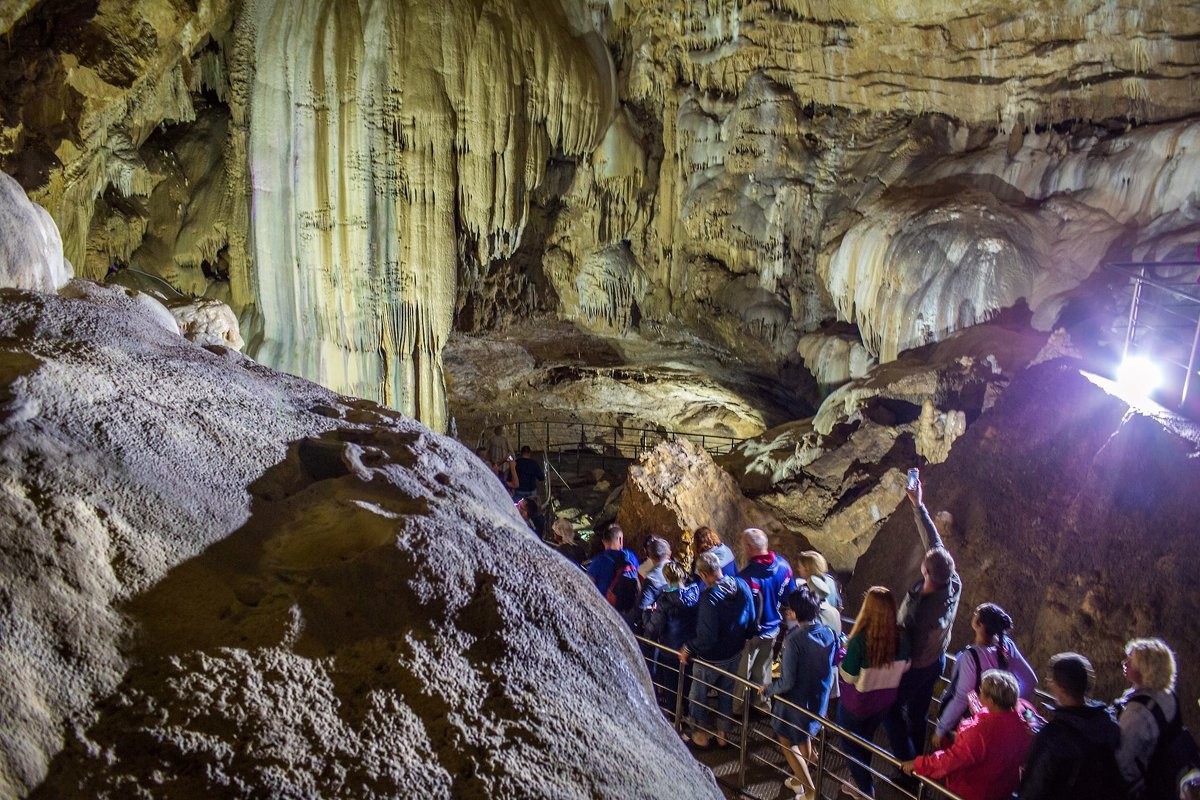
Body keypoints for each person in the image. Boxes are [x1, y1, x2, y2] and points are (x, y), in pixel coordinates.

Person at [885, 471, 961, 760]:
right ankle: (919, 762)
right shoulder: (953, 582)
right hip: (936, 660)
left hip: (915, 666)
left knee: (889, 708)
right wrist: (918, 505)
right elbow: (934, 542)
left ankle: (906, 762)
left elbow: (902, 637)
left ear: (924, 571)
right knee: (917, 713)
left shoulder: (919, 610)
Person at [901, 669, 1033, 800]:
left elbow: (951, 760)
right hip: (1001, 791)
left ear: (991, 701)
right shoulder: (1022, 725)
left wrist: (919, 764)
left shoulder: (981, 732)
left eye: (981, 691)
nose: (978, 693)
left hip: (972, 792)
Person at [1018, 652, 1128, 800]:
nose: (1048, 681)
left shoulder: (1052, 737)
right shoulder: (1107, 724)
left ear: (1060, 686)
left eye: (1051, 679)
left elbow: (1034, 789)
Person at [762, 586, 837, 799]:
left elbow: (787, 681)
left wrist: (768, 690)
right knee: (804, 735)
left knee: (787, 741)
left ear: (795, 612)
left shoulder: (794, 639)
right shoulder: (828, 632)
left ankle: (810, 790)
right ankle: (799, 777)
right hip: (817, 698)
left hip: (796, 702)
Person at [838, 586, 912, 798]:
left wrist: (842, 656)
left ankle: (864, 788)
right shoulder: (902, 637)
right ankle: (860, 781)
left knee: (850, 745)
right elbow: (906, 665)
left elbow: (849, 676)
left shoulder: (861, 640)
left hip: (857, 704)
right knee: (866, 739)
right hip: (884, 701)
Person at [679, 551, 755, 749]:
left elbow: (707, 636)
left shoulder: (709, 598)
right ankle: (722, 734)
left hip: (710, 658)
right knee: (726, 694)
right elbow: (752, 615)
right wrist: (745, 637)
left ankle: (699, 734)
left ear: (703, 575)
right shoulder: (741, 585)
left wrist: (689, 647)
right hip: (734, 652)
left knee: (699, 695)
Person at [934, 603, 1037, 746]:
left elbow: (962, 698)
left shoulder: (971, 657)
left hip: (972, 725)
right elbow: (1030, 680)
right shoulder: (1006, 646)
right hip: (999, 726)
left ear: (979, 624)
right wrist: (1008, 704)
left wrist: (941, 729)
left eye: (976, 613)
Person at [1113, 638, 1181, 799]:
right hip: (1163, 781)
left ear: (1146, 668)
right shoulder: (1167, 694)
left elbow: (1120, 760)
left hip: (1140, 788)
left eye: (1131, 660)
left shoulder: (1138, 712)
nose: (1125, 663)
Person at [738, 527, 797, 693]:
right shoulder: (784, 566)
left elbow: (741, 610)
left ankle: (740, 709)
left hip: (751, 633)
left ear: (749, 548)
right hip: (773, 628)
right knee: (764, 670)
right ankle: (762, 704)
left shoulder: (746, 577)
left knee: (743, 673)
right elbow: (789, 597)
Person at [645, 561, 701, 722]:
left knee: (672, 688)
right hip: (690, 648)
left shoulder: (665, 601)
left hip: (670, 651)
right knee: (688, 685)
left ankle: (676, 721)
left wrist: (647, 614)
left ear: (666, 578)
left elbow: (654, 628)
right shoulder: (695, 593)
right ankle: (689, 716)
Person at [584, 525, 641, 625]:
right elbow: (638, 581)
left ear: (603, 541)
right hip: (628, 610)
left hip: (606, 611)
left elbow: (588, 587)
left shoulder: (598, 561)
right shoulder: (630, 557)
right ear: (620, 539)